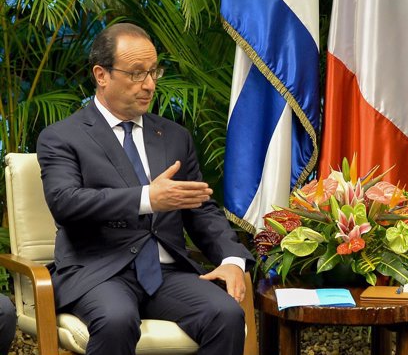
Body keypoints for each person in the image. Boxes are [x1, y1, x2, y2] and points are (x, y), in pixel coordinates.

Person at [37, 23, 254, 355]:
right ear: (101, 74)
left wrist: (231, 259)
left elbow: (201, 210)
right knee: (116, 319)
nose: (150, 84)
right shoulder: (62, 137)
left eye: (154, 72)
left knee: (225, 314)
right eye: (137, 74)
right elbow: (65, 203)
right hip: (100, 272)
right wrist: (146, 198)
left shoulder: (173, 136)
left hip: (168, 273)